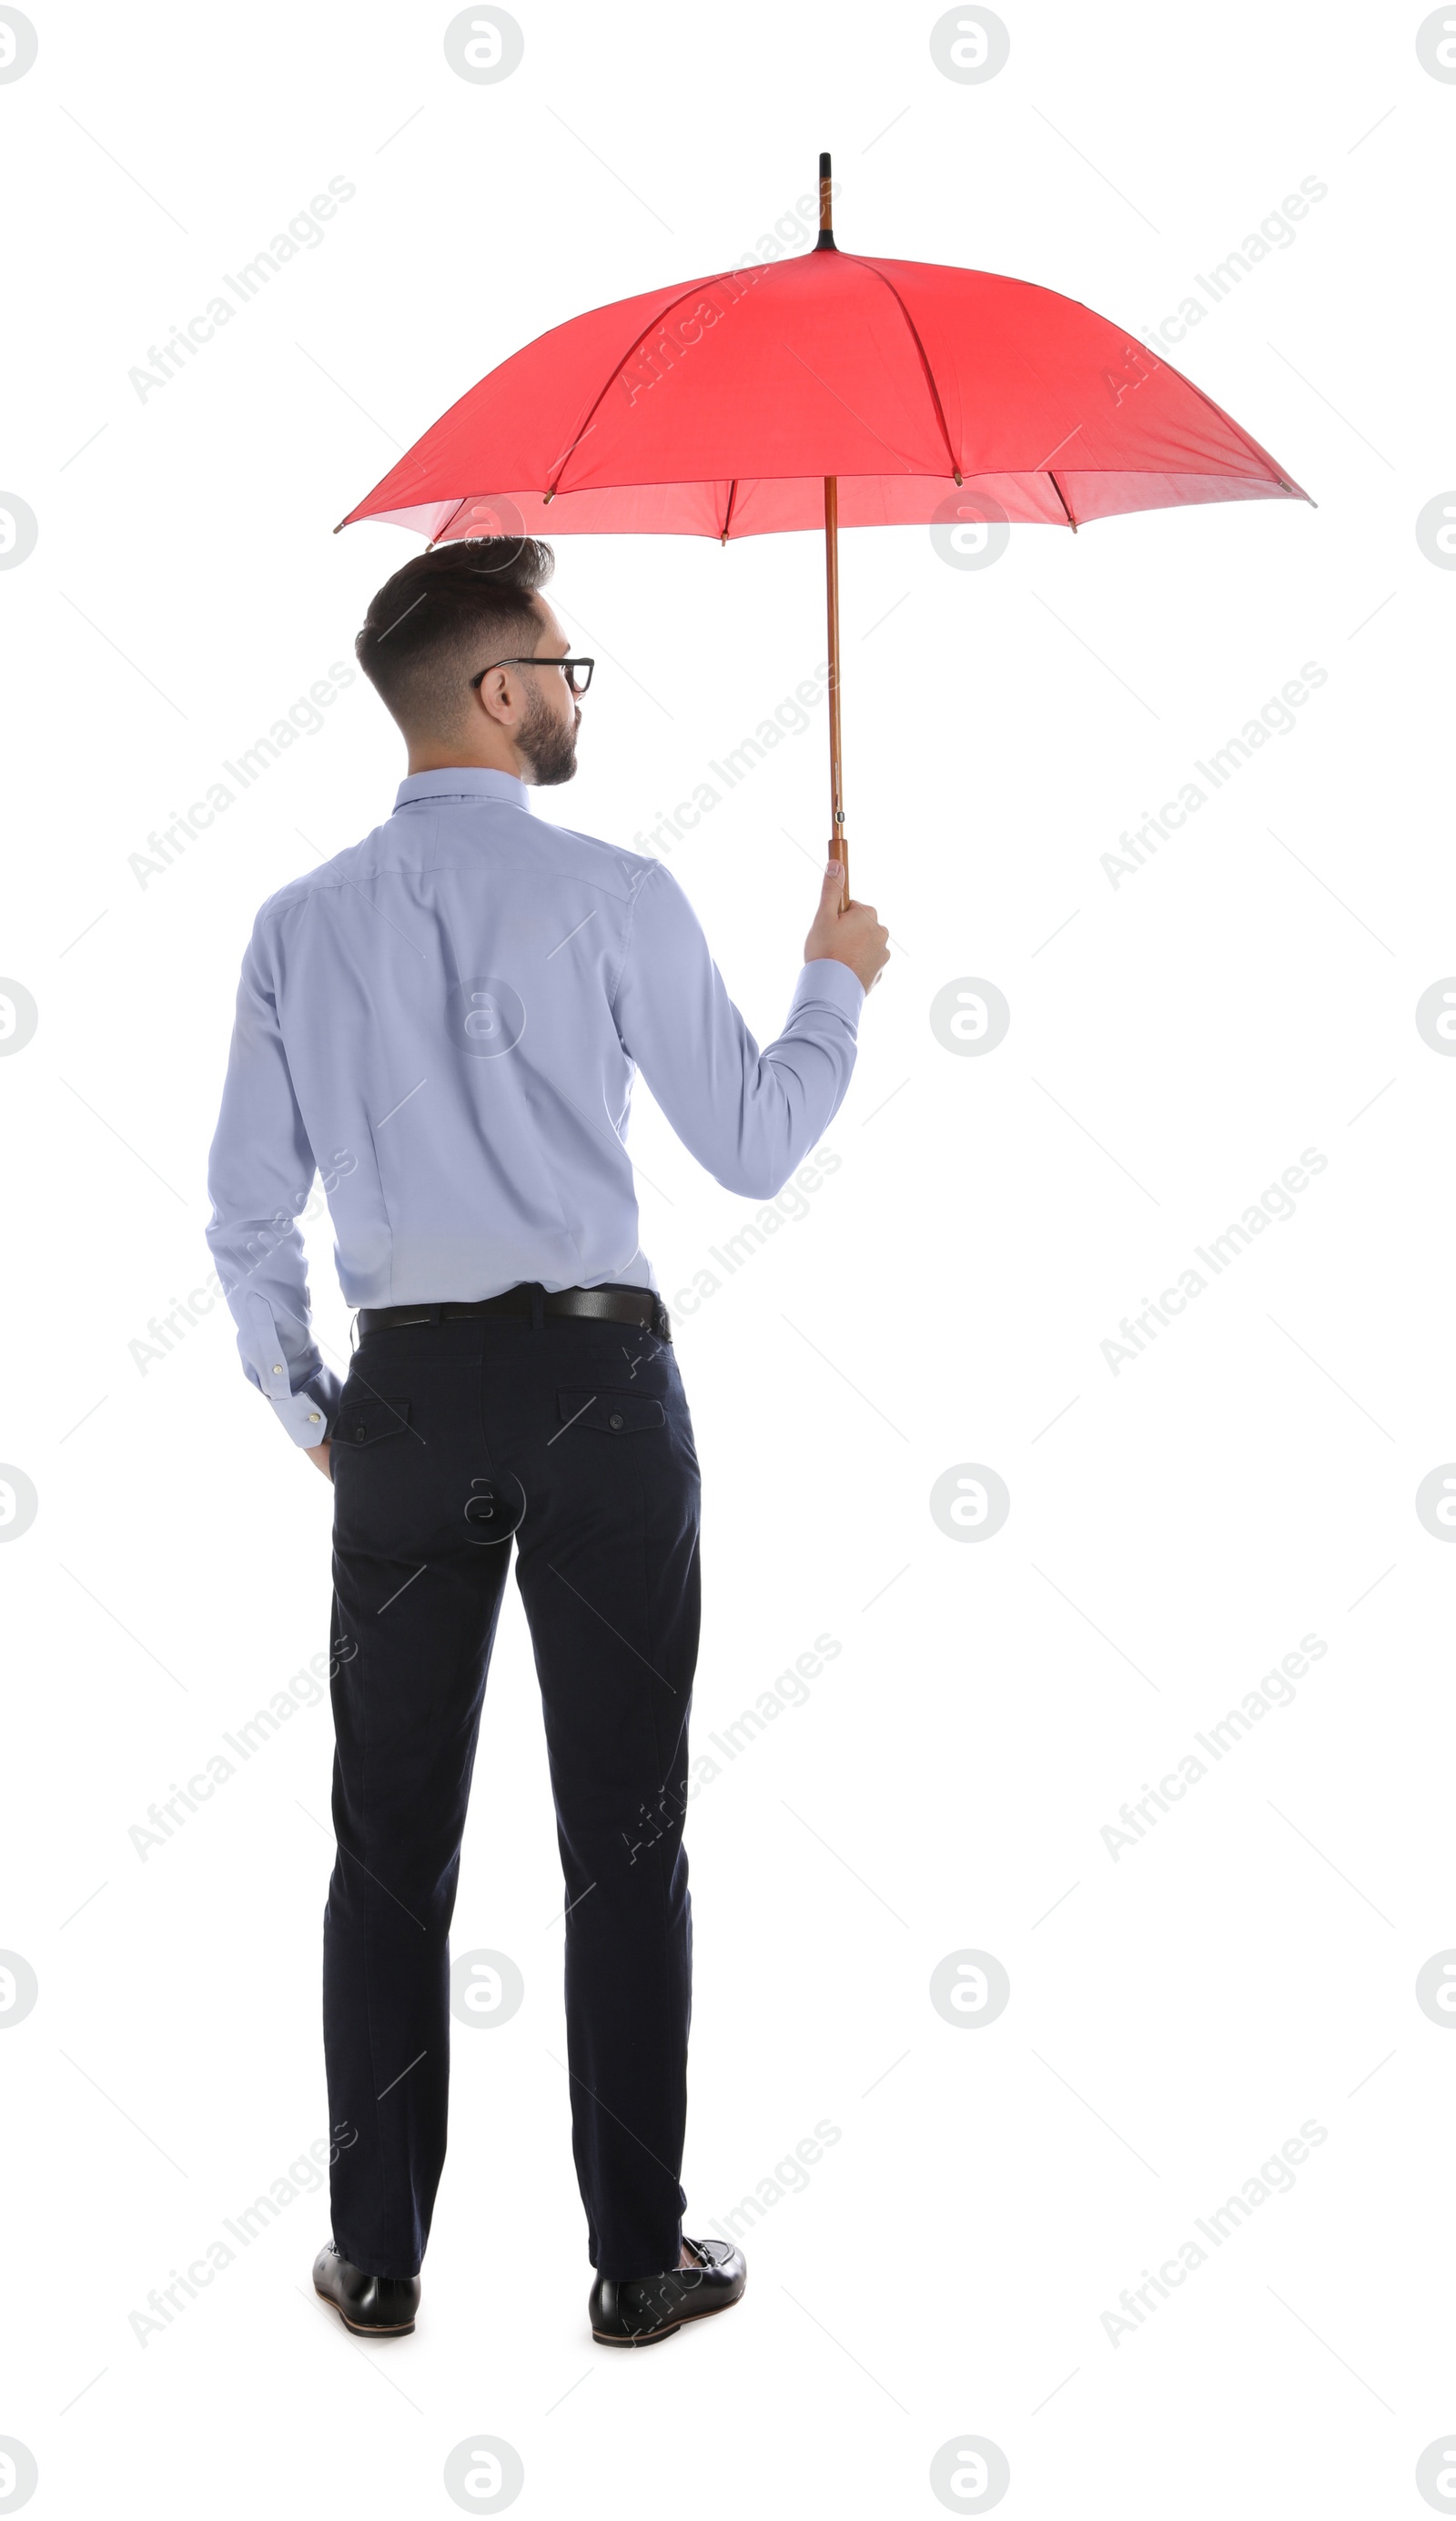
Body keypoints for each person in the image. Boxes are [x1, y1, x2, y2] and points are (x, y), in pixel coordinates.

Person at [204, 534, 889, 2346]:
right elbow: (747, 1140)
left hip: (407, 1402)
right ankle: (635, 2259)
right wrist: (831, 980)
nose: (575, 690)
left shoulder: (295, 924)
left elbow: (243, 1218)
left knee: (384, 1848)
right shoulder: (620, 892)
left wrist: (316, 1415)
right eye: (563, 664)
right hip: (600, 1397)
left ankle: (377, 2259)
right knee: (626, 1844)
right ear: (496, 691)